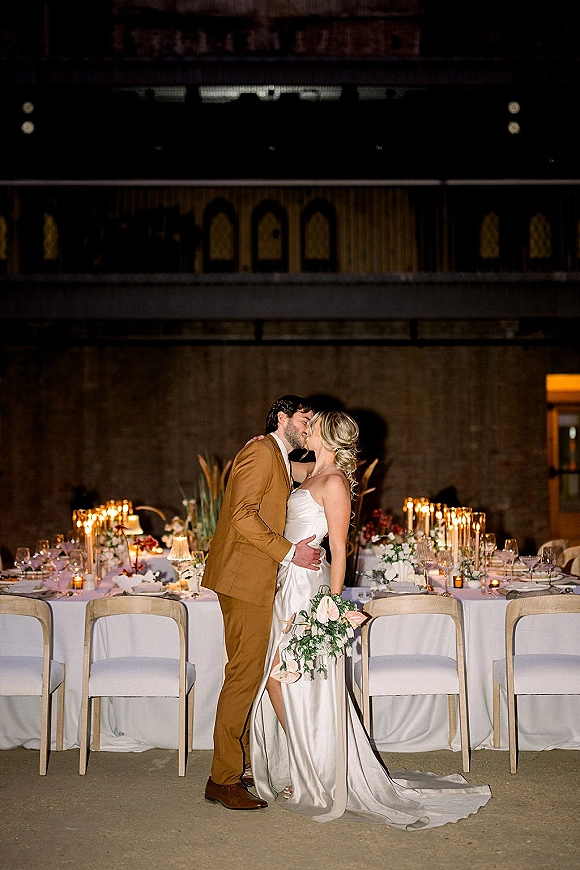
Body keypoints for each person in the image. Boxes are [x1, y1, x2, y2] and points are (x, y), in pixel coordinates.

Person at [250, 410, 492, 829]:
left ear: (325, 434)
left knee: (283, 677)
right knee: (281, 680)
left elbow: (341, 550)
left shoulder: (335, 483)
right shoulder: (307, 472)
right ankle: (307, 763)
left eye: (312, 424)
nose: (305, 428)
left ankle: (315, 771)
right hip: (287, 583)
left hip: (311, 591)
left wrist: (332, 607)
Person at [203, 395, 321, 811]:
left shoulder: (278, 456)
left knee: (250, 673)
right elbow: (242, 516)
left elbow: (311, 470)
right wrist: (291, 552)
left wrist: (332, 451)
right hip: (244, 579)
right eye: (305, 419)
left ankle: (242, 765)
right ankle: (223, 778)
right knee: (243, 675)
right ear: (283, 417)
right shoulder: (260, 450)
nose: (309, 427)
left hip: (255, 579)